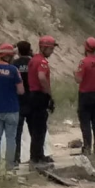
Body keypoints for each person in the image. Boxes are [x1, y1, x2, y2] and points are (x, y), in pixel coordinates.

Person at [75, 36, 95, 158]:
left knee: (85, 123)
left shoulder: (84, 62)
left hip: (85, 95)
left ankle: (87, 149)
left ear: (86, 48)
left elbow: (78, 79)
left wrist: (74, 73)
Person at [28, 35, 57, 165]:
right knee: (40, 128)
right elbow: (41, 77)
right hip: (39, 95)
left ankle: (37, 154)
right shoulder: (42, 62)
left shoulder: (33, 60)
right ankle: (37, 157)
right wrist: (49, 95)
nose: (52, 52)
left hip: (32, 95)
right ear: (44, 48)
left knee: (36, 127)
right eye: (51, 49)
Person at [13, 40, 33, 165]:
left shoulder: (14, 64)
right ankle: (35, 156)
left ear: (18, 51)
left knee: (17, 132)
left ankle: (16, 158)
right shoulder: (33, 63)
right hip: (32, 99)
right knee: (34, 131)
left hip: (18, 101)